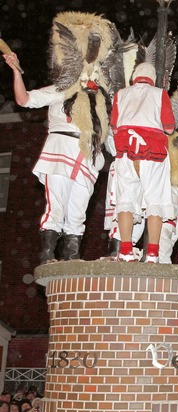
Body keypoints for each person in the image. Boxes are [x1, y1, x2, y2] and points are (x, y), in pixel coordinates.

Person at [3, 52, 105, 263]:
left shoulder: (101, 102)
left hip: (87, 157)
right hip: (60, 151)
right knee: (56, 207)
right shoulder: (62, 91)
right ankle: (48, 255)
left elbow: (112, 133)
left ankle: (72, 259)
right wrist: (15, 70)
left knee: (78, 213)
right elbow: (24, 100)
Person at [110, 62, 176, 263]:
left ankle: (126, 251)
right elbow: (170, 128)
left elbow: (114, 126)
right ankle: (153, 254)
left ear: (134, 77)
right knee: (155, 202)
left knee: (126, 202)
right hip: (152, 151)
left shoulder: (120, 94)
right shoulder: (159, 93)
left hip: (126, 151)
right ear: (152, 78)